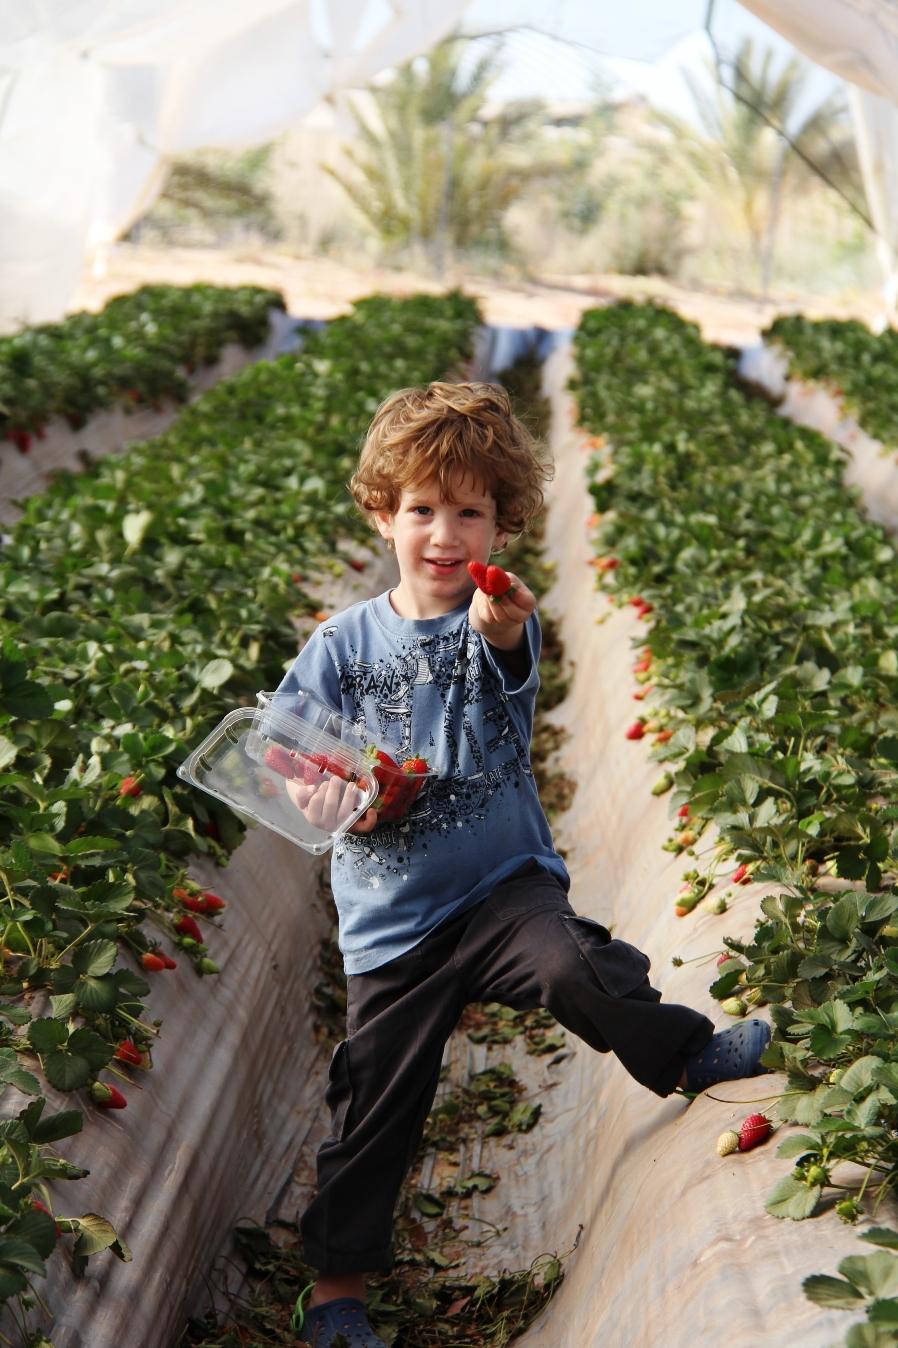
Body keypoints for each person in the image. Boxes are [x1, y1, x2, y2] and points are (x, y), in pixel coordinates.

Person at [276, 381, 771, 1348]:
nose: (445, 534)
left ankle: (683, 1054)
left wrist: (501, 621)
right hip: (390, 920)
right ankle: (336, 1291)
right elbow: (292, 748)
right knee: (374, 1097)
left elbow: (501, 644)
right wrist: (319, 790)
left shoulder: (498, 622)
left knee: (573, 966)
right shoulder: (340, 644)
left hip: (502, 890)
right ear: (384, 515)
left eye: (471, 512)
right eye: (423, 509)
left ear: (504, 526)